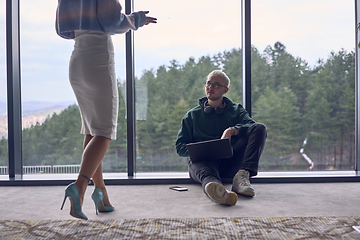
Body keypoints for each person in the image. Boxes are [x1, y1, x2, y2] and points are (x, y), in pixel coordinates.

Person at [56, 0, 157, 220]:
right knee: (104, 132)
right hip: (98, 61)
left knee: (92, 131)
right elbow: (113, 22)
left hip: (77, 61)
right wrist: (136, 19)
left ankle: (100, 194)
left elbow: (62, 28)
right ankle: (79, 187)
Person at [175, 70, 267, 206]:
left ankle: (241, 177)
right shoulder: (192, 116)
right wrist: (202, 149)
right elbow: (180, 147)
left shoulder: (237, 110)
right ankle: (218, 191)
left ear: (226, 90)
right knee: (206, 173)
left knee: (260, 128)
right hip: (203, 163)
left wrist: (232, 130)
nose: (210, 87)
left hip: (231, 162)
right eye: (208, 83)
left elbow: (251, 126)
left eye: (216, 85)